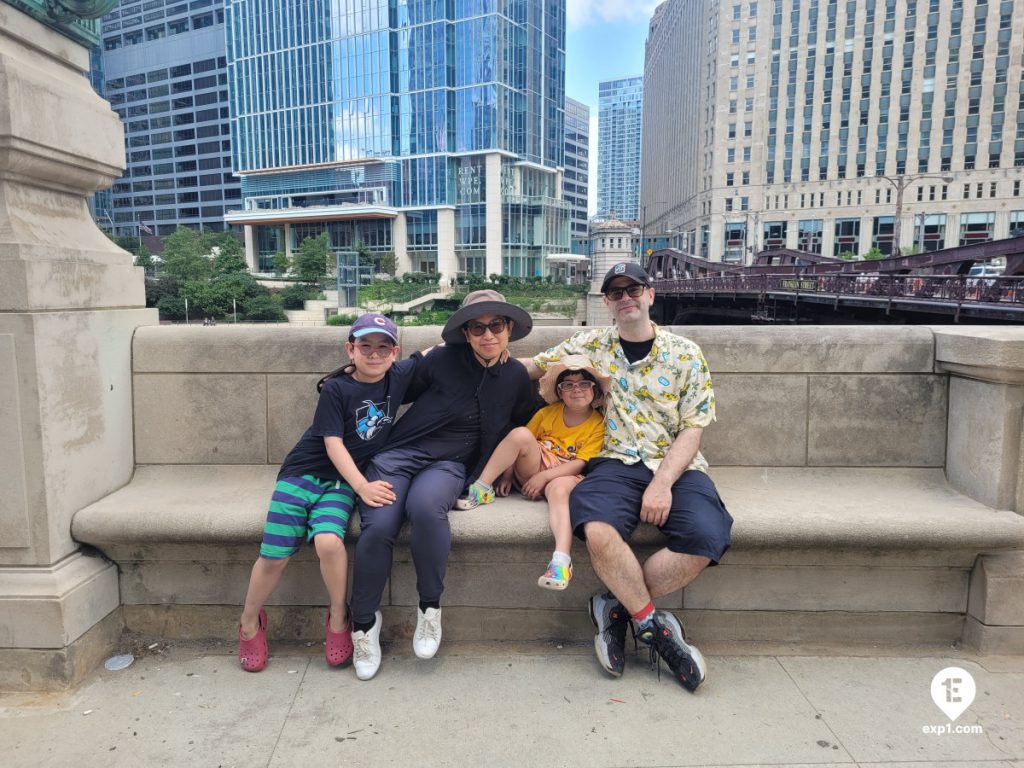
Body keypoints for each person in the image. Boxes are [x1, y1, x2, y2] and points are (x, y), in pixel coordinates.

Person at [526, 261, 732, 693]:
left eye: (634, 289)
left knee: (705, 536)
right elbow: (532, 365)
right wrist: (457, 355)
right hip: (613, 462)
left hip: (675, 465)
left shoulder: (686, 353)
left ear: (650, 295)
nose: (626, 298)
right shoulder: (590, 345)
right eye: (616, 293)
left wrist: (662, 484)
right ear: (607, 302)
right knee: (597, 529)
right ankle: (653, 627)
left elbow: (692, 429)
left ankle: (614, 606)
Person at [348, 290, 537, 680]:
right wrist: (419, 356)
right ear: (465, 333)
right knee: (379, 525)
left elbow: (523, 423)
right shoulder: (442, 359)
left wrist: (507, 469)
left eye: (496, 325)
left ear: (509, 329)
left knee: (426, 509)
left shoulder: (516, 376)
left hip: (450, 465)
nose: (488, 335)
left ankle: (429, 609)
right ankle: (364, 623)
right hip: (399, 456)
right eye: (477, 327)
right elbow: (388, 383)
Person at [237, 314, 421, 673]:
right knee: (275, 555)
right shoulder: (338, 389)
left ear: (395, 353)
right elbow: (333, 443)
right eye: (365, 346)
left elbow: (440, 351)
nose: (374, 354)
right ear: (350, 349)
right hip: (303, 474)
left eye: (383, 347)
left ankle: (338, 617)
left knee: (328, 542)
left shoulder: (397, 376)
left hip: (339, 484)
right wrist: (363, 486)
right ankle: (248, 622)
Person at [456, 355, 609, 592]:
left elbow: (580, 464)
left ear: (594, 389)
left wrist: (546, 477)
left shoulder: (597, 424)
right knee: (520, 434)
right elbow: (518, 444)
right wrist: (507, 474)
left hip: (563, 475)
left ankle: (561, 561)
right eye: (568, 384)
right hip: (532, 469)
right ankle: (482, 487)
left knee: (560, 489)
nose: (576, 389)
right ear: (559, 391)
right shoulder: (548, 413)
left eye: (584, 384)